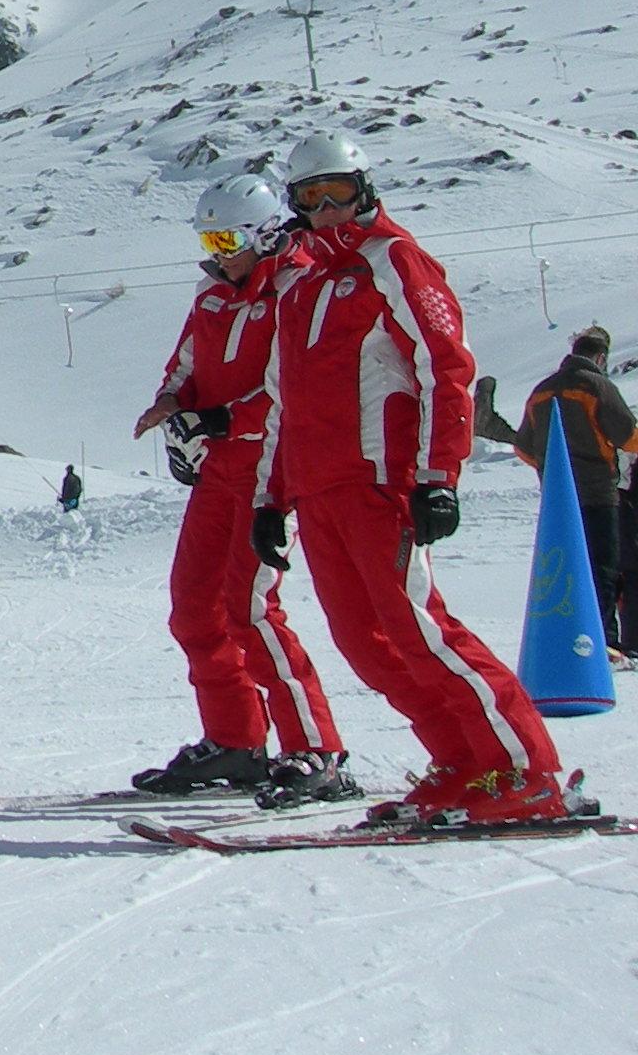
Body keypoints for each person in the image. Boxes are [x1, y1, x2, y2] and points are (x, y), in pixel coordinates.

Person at [257, 133, 582, 825]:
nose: (326, 208)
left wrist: (437, 476)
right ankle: (463, 761)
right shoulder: (300, 284)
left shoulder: (394, 259)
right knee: (365, 643)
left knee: (419, 629)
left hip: (382, 479)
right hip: (319, 490)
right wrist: (269, 499)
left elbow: (445, 367)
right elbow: (283, 401)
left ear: (364, 189)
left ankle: (524, 770)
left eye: (338, 192)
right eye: (311, 197)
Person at [128, 175, 350, 803]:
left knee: (249, 607)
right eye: (209, 241)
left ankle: (315, 749)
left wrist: (222, 419)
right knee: (194, 607)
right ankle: (235, 741)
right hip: (219, 471)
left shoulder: (296, 288)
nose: (217, 254)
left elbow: (292, 387)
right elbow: (186, 364)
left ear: (266, 232)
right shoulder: (214, 294)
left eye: (227, 240)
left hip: (272, 468)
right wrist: (172, 405)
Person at [509, 326, 636, 654]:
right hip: (598, 494)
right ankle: (603, 643)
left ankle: (565, 639)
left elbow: (522, 448)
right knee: (602, 568)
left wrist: (550, 467)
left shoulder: (542, 390)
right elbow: (627, 436)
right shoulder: (597, 386)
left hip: (558, 497)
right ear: (601, 357)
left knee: (564, 570)